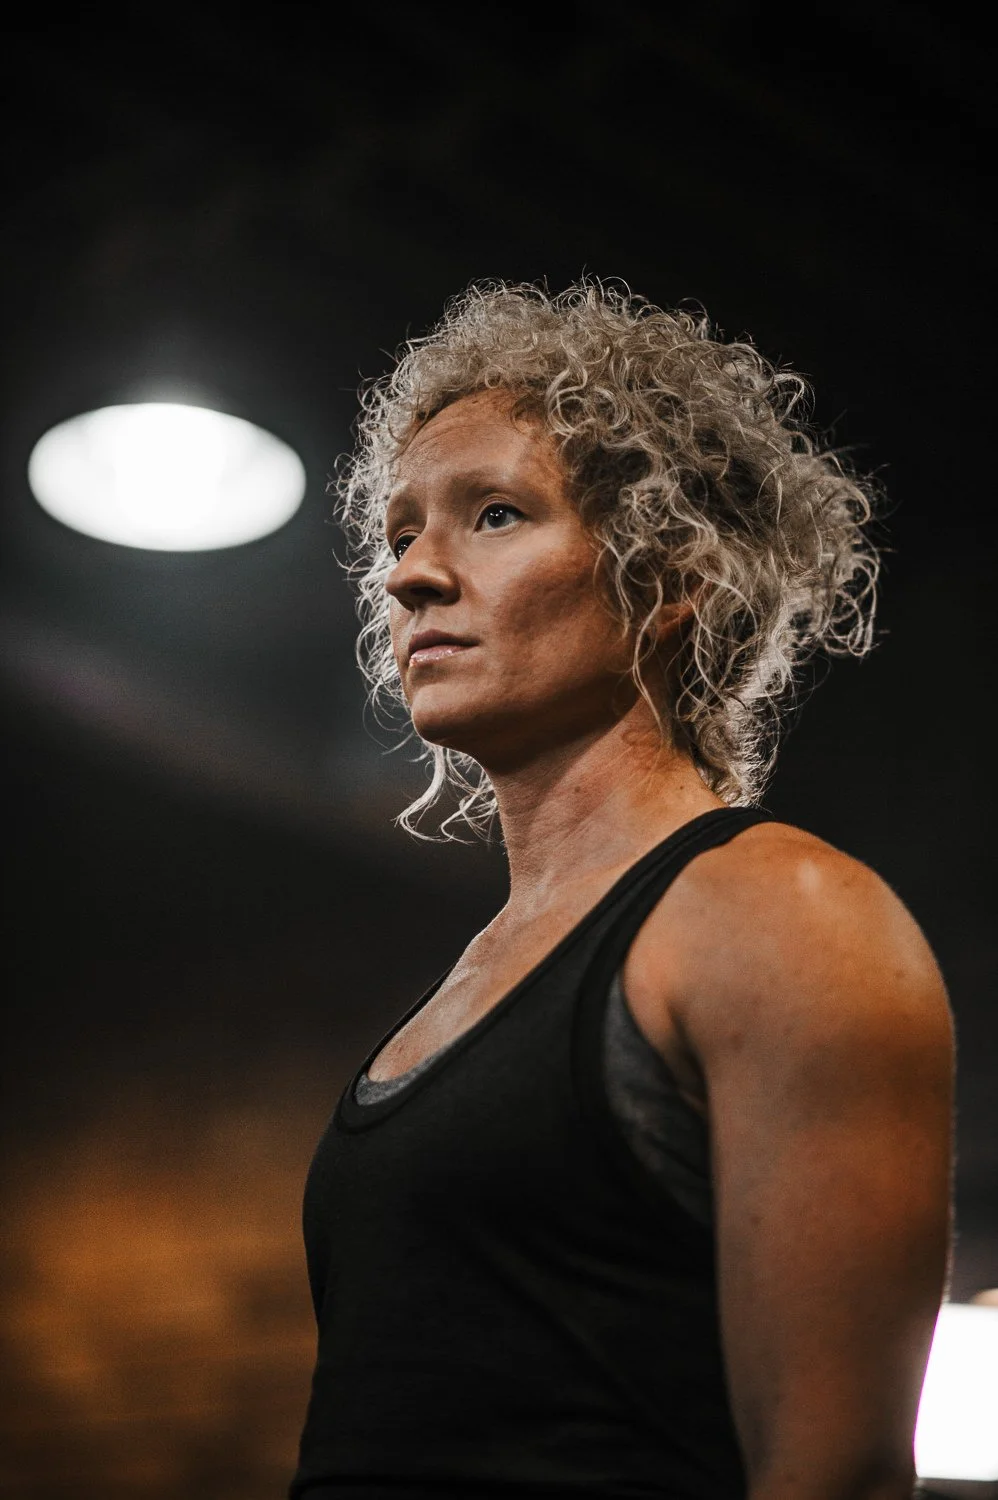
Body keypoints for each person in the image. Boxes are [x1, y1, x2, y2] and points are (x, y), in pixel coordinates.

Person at [290, 281, 953, 1500]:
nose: (411, 578)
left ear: (669, 573)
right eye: (397, 535)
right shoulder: (466, 981)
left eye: (492, 514)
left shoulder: (779, 916)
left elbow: (838, 1476)